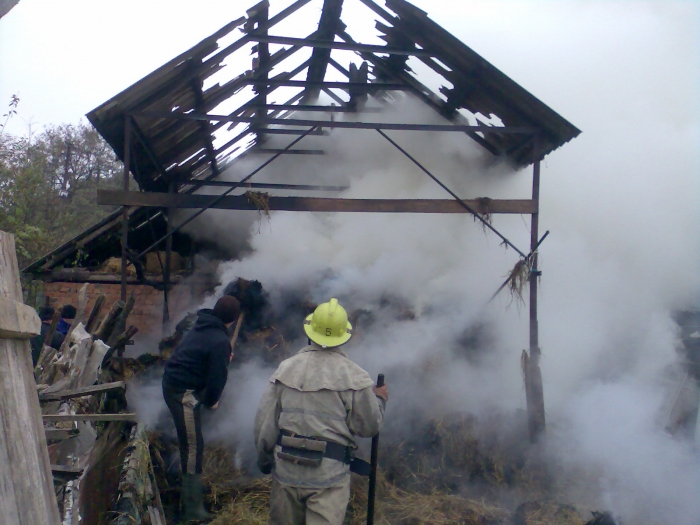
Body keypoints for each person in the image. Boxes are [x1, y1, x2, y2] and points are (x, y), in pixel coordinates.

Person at [255, 298, 388, 525]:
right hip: (328, 478)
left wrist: (265, 460)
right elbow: (369, 427)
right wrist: (379, 400)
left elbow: (265, 424)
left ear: (310, 331)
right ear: (343, 337)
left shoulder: (285, 369)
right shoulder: (355, 377)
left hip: (287, 473)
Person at [162, 295, 241, 522]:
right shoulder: (219, 340)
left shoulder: (204, 324)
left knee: (193, 441)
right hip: (182, 393)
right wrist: (210, 400)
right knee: (193, 447)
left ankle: (191, 497)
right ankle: (192, 511)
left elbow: (205, 355)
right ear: (233, 320)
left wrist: (222, 357)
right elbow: (217, 381)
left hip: (174, 383)